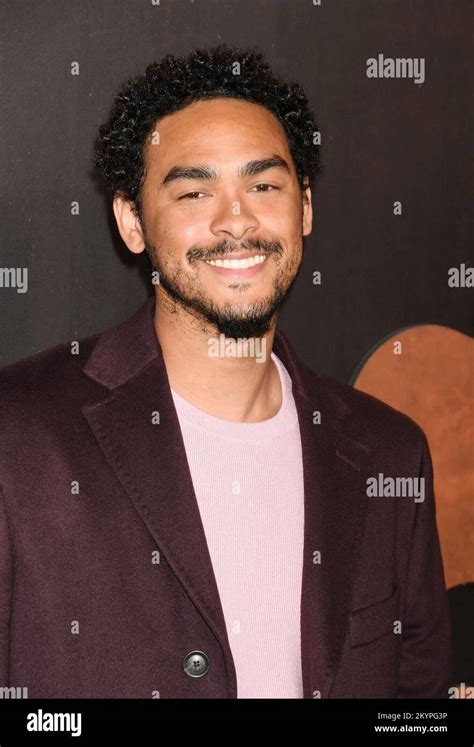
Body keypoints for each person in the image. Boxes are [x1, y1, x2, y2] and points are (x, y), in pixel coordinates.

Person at [0, 44, 451, 698]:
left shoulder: (390, 453)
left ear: (305, 207)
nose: (236, 219)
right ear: (131, 221)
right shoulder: (19, 437)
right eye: (194, 190)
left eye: (264, 185)